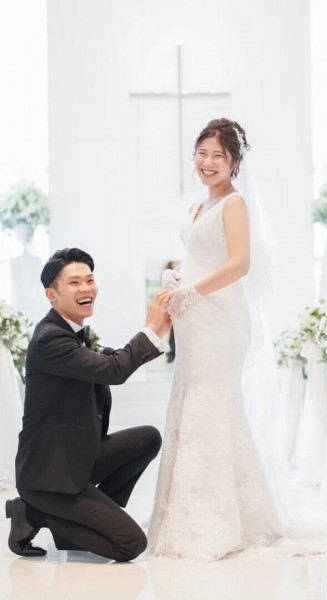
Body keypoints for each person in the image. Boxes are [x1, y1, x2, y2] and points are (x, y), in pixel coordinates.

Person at [147, 118, 285, 561]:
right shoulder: (199, 204)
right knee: (189, 399)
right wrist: (176, 276)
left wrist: (191, 291)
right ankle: (188, 511)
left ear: (234, 163)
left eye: (218, 156)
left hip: (220, 319)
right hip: (193, 318)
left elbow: (240, 264)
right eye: (202, 154)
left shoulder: (234, 204)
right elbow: (198, 256)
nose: (207, 163)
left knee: (210, 402)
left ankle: (216, 519)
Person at [6, 248, 172, 561]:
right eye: (74, 283)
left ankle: (87, 519)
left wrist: (159, 331)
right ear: (51, 294)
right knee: (130, 545)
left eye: (90, 280)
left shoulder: (76, 333)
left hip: (76, 457)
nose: (86, 288)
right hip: (48, 478)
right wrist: (149, 329)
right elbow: (114, 370)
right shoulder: (50, 339)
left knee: (148, 438)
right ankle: (32, 512)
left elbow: (113, 359)